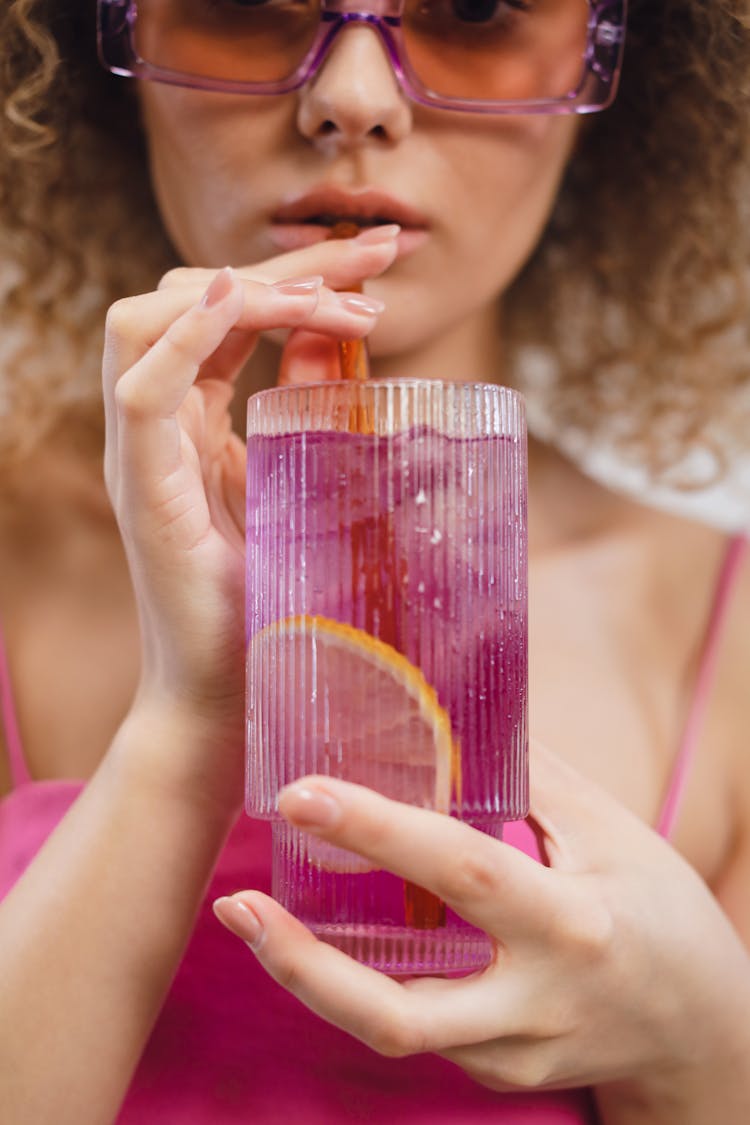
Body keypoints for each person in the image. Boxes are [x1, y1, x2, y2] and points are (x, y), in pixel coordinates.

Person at [1, 1, 749, 1122]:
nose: (354, 98)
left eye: (478, 12)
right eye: (242, 7)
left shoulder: (724, 630)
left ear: (611, 70)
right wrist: (193, 712)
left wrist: (705, 1052)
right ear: (114, 62)